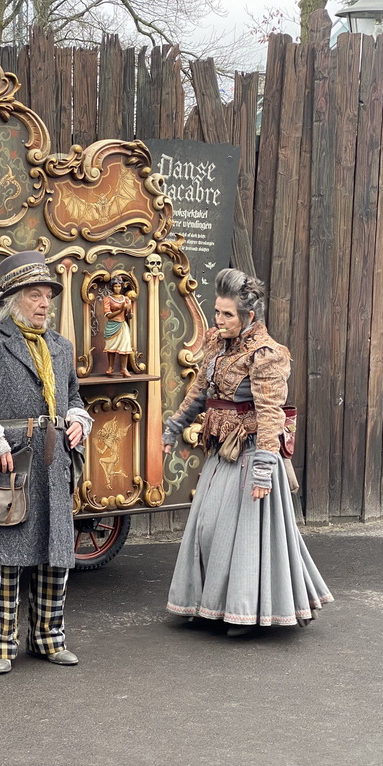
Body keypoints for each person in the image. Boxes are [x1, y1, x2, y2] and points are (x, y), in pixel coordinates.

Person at [161, 268, 333, 636]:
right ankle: (205, 603)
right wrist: (175, 426)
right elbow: (200, 392)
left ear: (249, 316)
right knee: (205, 527)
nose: (219, 320)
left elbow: (271, 414)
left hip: (252, 452)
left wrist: (263, 471)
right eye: (217, 312)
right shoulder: (217, 343)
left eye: (227, 314)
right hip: (222, 452)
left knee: (239, 535)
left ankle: (243, 612)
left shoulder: (266, 355)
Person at [0, 251, 93, 675]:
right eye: (35, 295)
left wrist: (79, 418)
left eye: (48, 295)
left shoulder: (61, 346)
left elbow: (74, 396)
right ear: (12, 299)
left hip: (54, 460)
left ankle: (48, 640)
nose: (45, 303)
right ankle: (1, 645)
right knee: (7, 554)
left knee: (55, 552)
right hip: (9, 460)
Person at [102, 277, 133, 376]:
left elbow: (130, 316)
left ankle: (124, 368)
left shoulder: (126, 299)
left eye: (119, 286)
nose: (117, 288)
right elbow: (108, 315)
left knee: (125, 346)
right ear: (112, 287)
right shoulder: (107, 299)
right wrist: (120, 310)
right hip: (112, 325)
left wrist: (128, 311)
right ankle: (111, 367)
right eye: (115, 286)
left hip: (123, 325)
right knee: (111, 347)